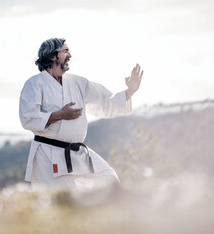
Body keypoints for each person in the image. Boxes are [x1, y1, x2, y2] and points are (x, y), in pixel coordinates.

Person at [19, 38, 143, 190]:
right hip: (48, 155)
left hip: (76, 152)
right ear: (53, 56)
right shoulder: (34, 84)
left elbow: (105, 102)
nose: (70, 55)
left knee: (108, 179)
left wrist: (130, 91)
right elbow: (28, 117)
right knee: (61, 200)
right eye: (65, 51)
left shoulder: (78, 83)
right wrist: (60, 115)